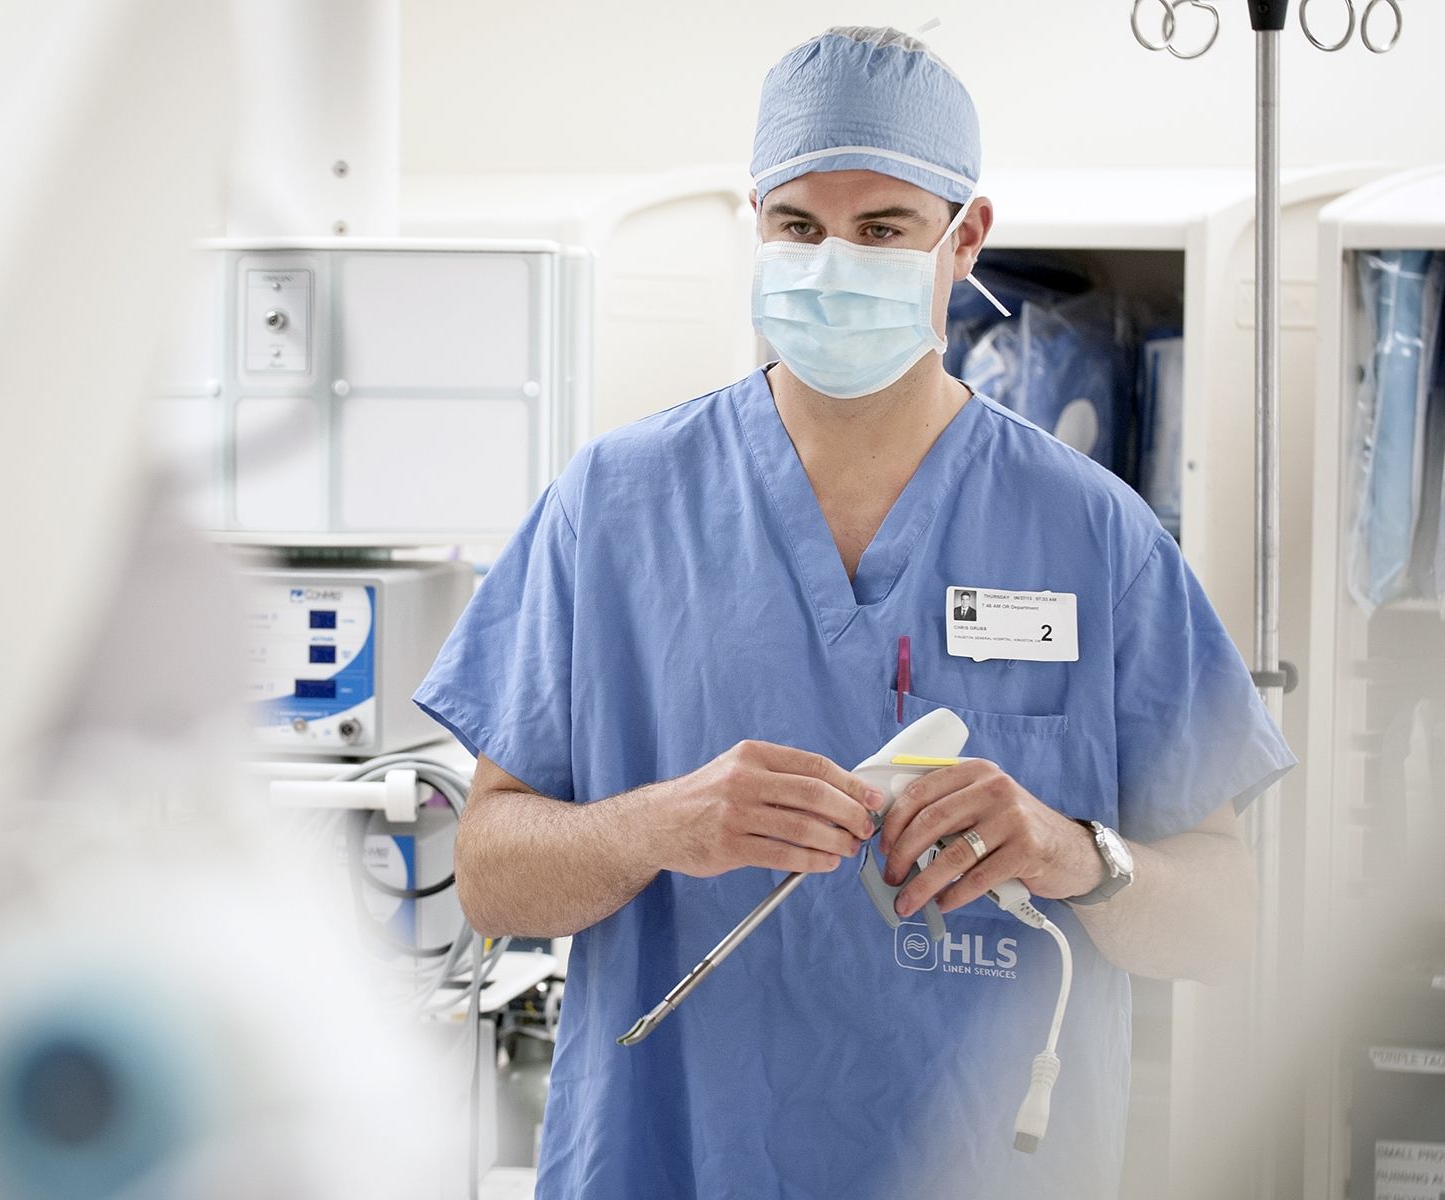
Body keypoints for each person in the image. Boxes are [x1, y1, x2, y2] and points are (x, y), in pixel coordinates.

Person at [414, 25, 1294, 1200]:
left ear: (964, 236)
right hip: (674, 1162)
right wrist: (652, 828)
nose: (833, 263)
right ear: (758, 222)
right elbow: (488, 873)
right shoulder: (616, 508)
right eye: (799, 227)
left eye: (881, 229)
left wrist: (1072, 855)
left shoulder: (1094, 536)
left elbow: (1229, 925)